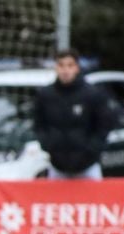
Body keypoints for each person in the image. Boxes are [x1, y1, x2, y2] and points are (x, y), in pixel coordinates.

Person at [33, 50, 117, 180]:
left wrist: (91, 150)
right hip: (57, 166)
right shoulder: (45, 95)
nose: (65, 70)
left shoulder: (92, 94)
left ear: (77, 68)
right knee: (56, 200)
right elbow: (39, 124)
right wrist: (48, 145)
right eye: (61, 65)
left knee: (93, 200)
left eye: (70, 65)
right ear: (56, 67)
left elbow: (104, 126)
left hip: (88, 167)